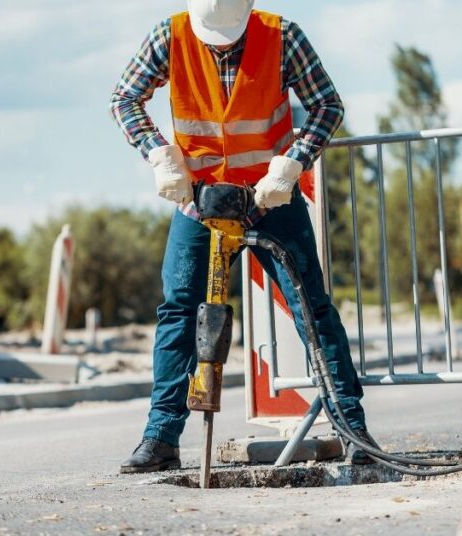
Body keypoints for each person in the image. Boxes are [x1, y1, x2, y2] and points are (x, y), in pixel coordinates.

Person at [110, 0, 377, 473]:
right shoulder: (170, 37)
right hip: (199, 200)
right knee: (178, 311)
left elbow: (326, 105)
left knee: (311, 307)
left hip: (269, 196)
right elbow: (124, 99)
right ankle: (161, 438)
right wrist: (157, 154)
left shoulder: (282, 36)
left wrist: (293, 162)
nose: (223, 42)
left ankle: (352, 429)